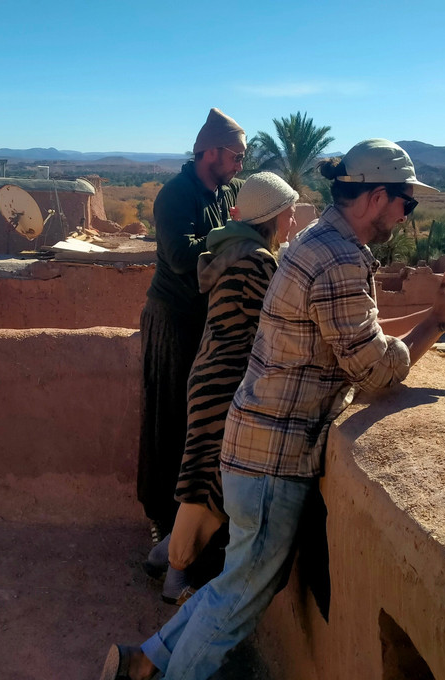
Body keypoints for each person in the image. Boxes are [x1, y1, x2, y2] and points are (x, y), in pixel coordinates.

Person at [102, 138, 445, 680]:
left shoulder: (316, 244)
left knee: (241, 582)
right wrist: (437, 323)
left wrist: (430, 314)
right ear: (372, 196)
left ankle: (145, 659)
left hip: (252, 441)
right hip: (274, 457)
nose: (405, 213)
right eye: (404, 201)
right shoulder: (340, 260)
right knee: (240, 597)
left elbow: (346, 337)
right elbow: (374, 370)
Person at [150, 172, 300, 605]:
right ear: (272, 214)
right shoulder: (257, 261)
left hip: (209, 371)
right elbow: (282, 320)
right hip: (226, 380)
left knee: (198, 466)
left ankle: (165, 553)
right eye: (288, 210)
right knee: (211, 480)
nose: (292, 218)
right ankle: (176, 575)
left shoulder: (230, 250)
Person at [138, 108, 246, 541]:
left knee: (201, 421)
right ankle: (162, 520)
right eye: (236, 157)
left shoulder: (226, 189)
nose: (240, 165)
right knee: (170, 418)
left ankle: (194, 523)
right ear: (212, 153)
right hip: (173, 321)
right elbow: (182, 258)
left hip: (207, 321)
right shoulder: (175, 196)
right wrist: (233, 234)